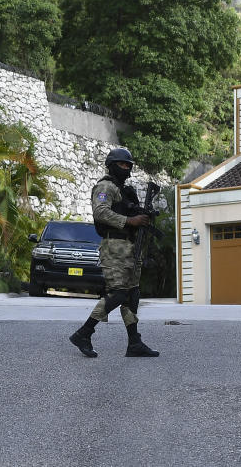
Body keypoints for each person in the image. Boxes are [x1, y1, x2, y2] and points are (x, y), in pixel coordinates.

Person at [69, 147, 159, 358]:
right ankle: (84, 332)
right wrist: (129, 220)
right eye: (121, 164)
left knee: (132, 294)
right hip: (114, 248)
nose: (125, 168)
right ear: (112, 165)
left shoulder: (125, 191)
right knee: (118, 293)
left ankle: (134, 343)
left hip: (130, 247)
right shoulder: (105, 186)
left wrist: (143, 216)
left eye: (128, 165)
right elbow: (100, 212)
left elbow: (130, 214)